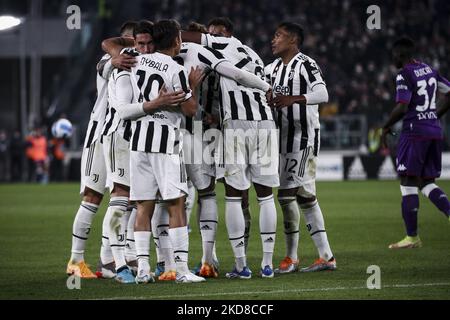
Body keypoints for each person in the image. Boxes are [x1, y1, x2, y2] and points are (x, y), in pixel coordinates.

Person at [109, 19, 206, 283]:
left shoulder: (136, 62)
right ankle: (182, 270)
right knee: (176, 205)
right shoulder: (175, 68)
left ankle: (142, 269)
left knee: (143, 206)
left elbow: (111, 47)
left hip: (139, 141)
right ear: (176, 41)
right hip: (165, 142)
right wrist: (191, 87)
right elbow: (190, 110)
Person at [182, 22, 279, 279]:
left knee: (234, 195)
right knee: (266, 196)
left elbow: (183, 36)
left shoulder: (219, 44)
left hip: (236, 125)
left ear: (227, 35)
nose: (210, 36)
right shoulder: (252, 53)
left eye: (215, 33)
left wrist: (163, 35)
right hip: (266, 124)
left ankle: (241, 265)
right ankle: (267, 265)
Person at [66, 21, 139, 279]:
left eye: (136, 40)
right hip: (100, 133)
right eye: (127, 40)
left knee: (125, 197)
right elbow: (103, 65)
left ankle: (109, 259)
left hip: (122, 133)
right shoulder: (109, 60)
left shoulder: (141, 61)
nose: (132, 45)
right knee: (93, 197)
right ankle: (76, 260)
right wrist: (114, 56)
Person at [266, 22, 336, 273]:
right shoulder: (272, 68)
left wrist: (294, 99)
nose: (273, 40)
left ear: (293, 40)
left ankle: (291, 258)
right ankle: (326, 257)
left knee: (286, 196)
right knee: (306, 197)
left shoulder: (306, 64)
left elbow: (323, 94)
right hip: (282, 139)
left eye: (278, 35)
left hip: (303, 139)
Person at [381, 37, 450, 249]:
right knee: (425, 182)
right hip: (433, 131)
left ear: (400, 55)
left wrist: (385, 127)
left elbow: (402, 106)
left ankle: (412, 238)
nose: (392, 59)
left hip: (414, 133)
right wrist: (434, 115)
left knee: (408, 182)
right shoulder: (429, 69)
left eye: (393, 55)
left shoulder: (404, 73)